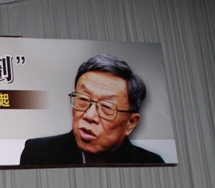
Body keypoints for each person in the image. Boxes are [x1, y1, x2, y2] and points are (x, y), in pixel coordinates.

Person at [20, 54, 164, 165]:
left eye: (106, 107)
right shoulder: (39, 152)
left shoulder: (150, 163)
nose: (89, 116)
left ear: (131, 123)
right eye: (83, 99)